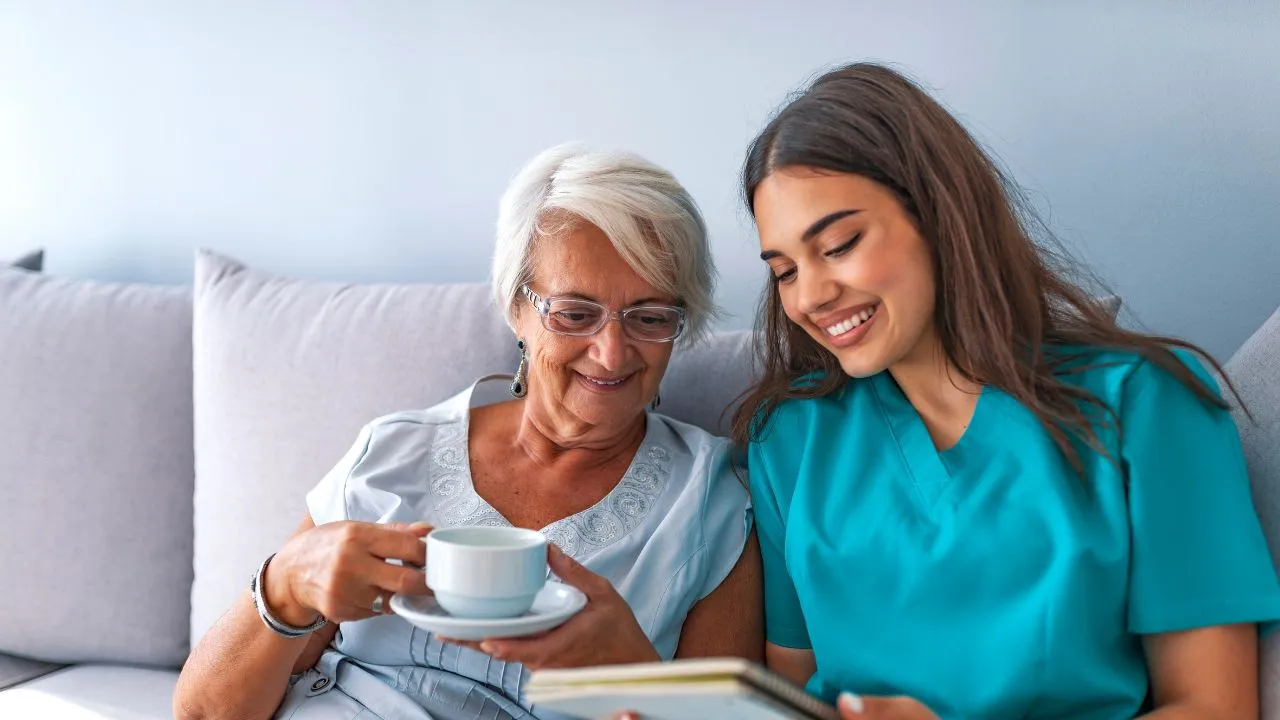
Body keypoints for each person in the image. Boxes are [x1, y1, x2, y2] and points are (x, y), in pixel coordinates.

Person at [736, 63, 1280, 719]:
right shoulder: (789, 435)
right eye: (785, 271)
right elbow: (788, 696)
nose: (811, 296)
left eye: (840, 244)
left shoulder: (1146, 405)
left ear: (937, 213)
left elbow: (1215, 709)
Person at [174, 143, 763, 720]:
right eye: (575, 314)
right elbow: (203, 713)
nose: (611, 354)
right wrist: (285, 584)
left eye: (651, 317)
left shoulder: (711, 505)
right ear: (517, 308)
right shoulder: (392, 452)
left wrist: (631, 672)